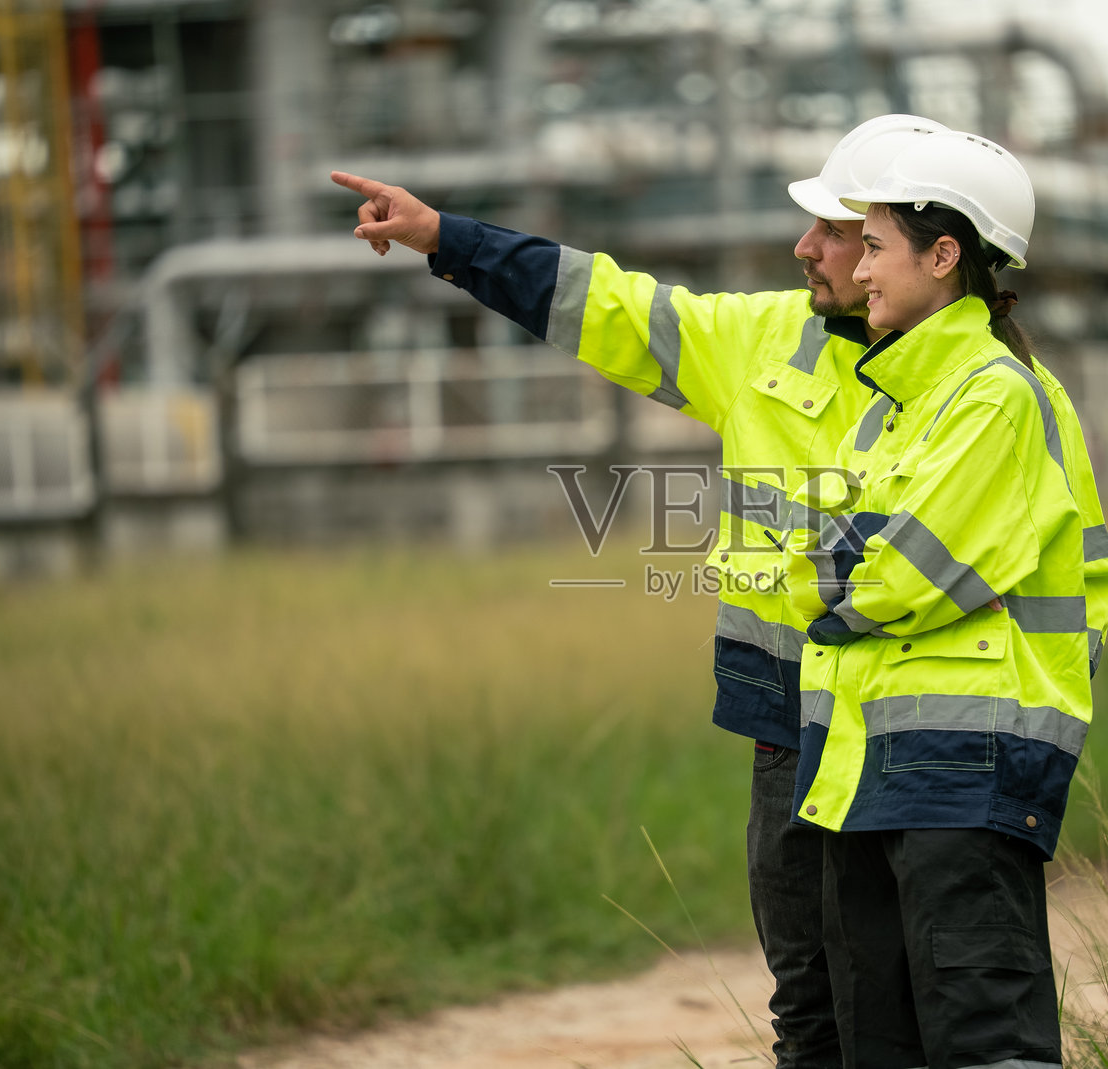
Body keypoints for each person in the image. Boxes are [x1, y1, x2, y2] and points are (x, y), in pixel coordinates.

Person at [331, 113, 951, 1069]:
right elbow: (601, 302)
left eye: (840, 231)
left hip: (914, 736)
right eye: (829, 231)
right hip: (788, 732)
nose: (812, 250)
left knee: (913, 1008)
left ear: (924, 253)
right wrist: (446, 238)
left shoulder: (981, 383)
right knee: (810, 1009)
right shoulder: (759, 342)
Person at [781, 130, 1108, 1069]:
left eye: (875, 245)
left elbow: (894, 577)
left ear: (943, 257)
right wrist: (832, 564)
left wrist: (803, 567)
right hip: (869, 768)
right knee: (877, 1047)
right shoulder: (897, 397)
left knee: (982, 1043)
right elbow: (857, 565)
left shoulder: (992, 397)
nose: (855, 265)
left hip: (962, 770)